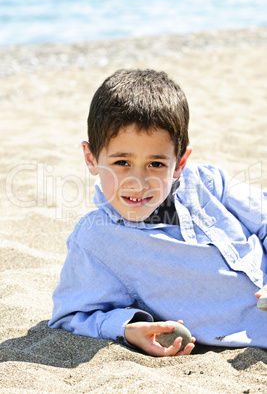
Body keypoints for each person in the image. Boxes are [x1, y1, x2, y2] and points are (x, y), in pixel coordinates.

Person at [48, 69, 267, 357]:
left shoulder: (209, 182)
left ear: (180, 162)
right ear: (91, 159)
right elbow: (71, 316)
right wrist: (128, 328)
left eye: (156, 164)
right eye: (122, 162)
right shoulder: (96, 240)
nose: (137, 182)